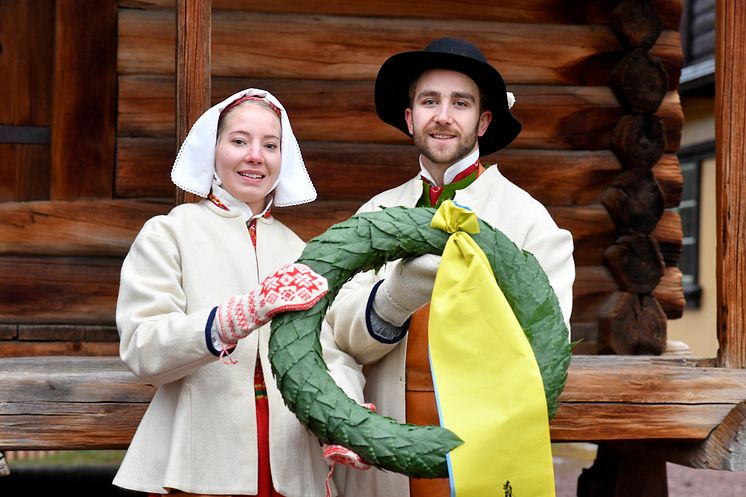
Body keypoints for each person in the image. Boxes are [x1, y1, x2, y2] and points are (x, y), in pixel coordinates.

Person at [322, 38, 576, 496]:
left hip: (483, 444)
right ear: (409, 118)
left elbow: (546, 343)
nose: (443, 115)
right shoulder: (372, 215)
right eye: (429, 101)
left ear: (482, 122)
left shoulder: (531, 223)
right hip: (385, 445)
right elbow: (336, 331)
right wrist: (392, 299)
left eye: (460, 103)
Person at [113, 89, 343, 497]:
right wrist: (231, 319)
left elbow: (327, 354)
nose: (255, 155)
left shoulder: (302, 251)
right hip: (198, 457)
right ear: (213, 150)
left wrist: (342, 419)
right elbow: (143, 349)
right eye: (239, 141)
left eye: (270, 145)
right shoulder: (169, 232)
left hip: (289, 458)